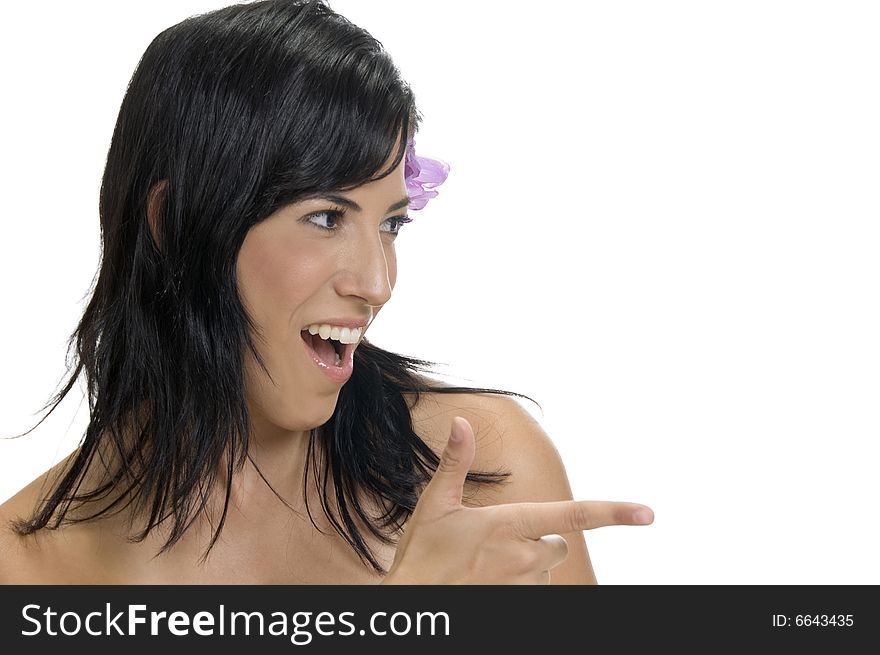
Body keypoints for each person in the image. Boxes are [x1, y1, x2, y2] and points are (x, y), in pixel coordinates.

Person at [0, 0, 653, 584]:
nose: (378, 283)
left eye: (391, 222)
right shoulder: (21, 569)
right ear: (174, 223)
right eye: (326, 217)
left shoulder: (483, 476)